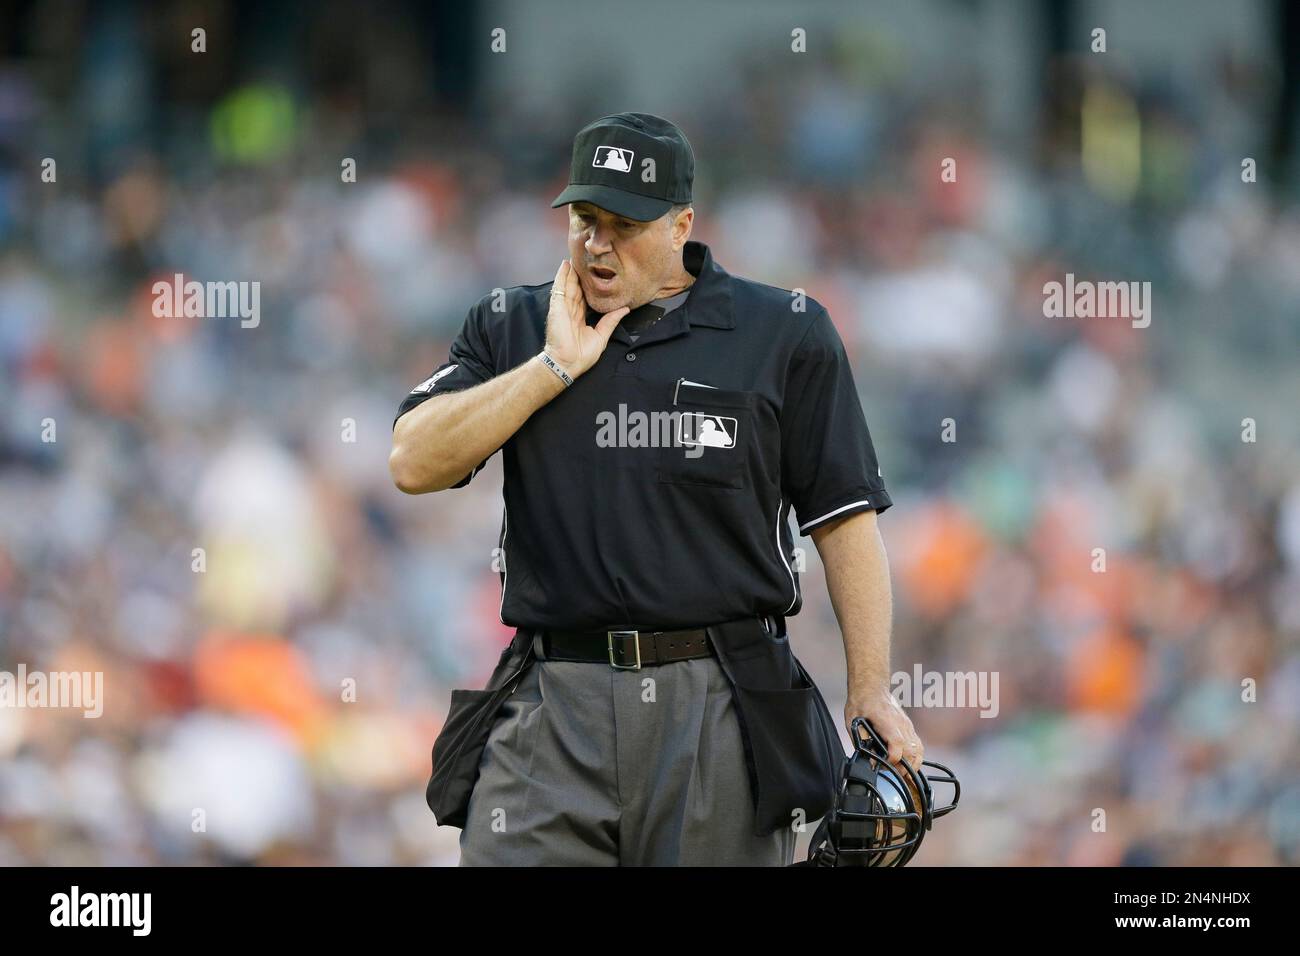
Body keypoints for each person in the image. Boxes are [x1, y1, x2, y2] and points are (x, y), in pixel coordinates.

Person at [390, 112, 925, 866]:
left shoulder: (783, 333)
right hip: (552, 701)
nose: (597, 244)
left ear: (682, 225)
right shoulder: (514, 323)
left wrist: (871, 687)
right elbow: (413, 461)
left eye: (624, 223)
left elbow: (843, 522)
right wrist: (552, 369)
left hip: (716, 705)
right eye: (584, 219)